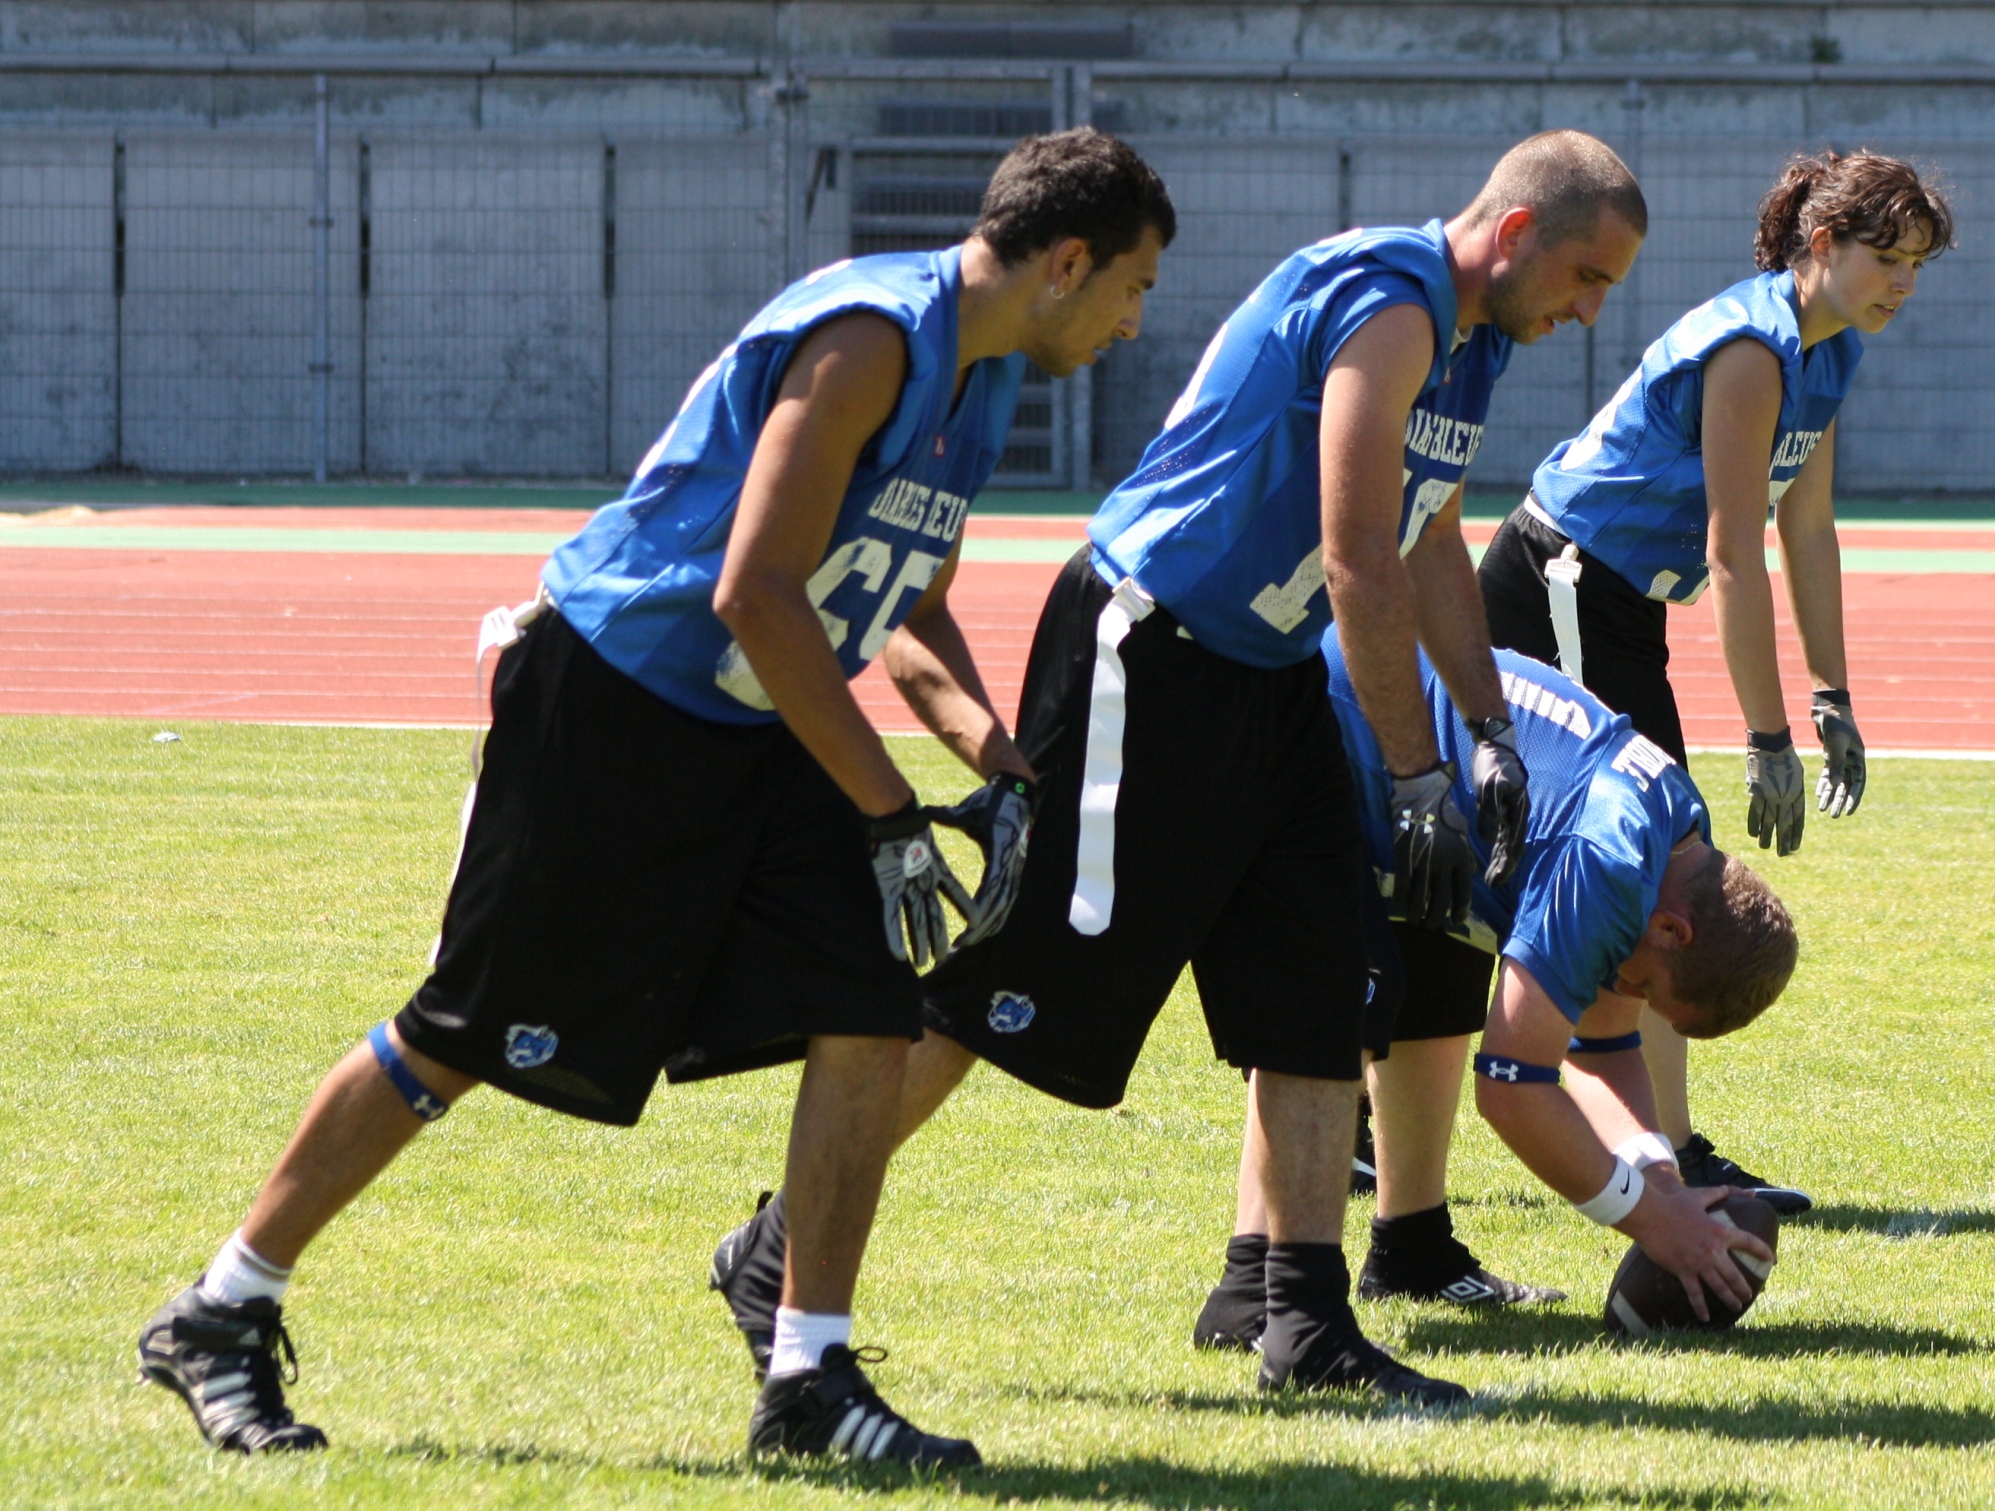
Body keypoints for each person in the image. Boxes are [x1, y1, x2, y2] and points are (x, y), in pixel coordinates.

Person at [134, 128, 1175, 1466]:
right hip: (618, 698)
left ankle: (806, 1370)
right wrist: (883, 807)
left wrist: (985, 745)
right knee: (465, 1030)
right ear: (1065, 261)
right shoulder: (872, 342)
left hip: (752, 717)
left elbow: (899, 591)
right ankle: (222, 1306)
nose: (1134, 318)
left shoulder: (976, 380)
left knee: (869, 1007)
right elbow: (754, 586)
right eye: (1131, 285)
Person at [710, 131, 1644, 1408]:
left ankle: (1299, 1317)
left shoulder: (1470, 337)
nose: (1591, 311)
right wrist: (1419, 772)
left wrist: (1483, 723)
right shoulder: (1393, 299)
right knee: (1015, 981)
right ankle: (778, 1249)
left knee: (1324, 974)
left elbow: (1430, 532)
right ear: (1522, 235)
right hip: (1146, 653)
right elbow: (1358, 548)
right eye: (1589, 277)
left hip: (1263, 675)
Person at [1477, 149, 1954, 1209]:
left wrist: (1831, 693)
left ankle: (1663, 1144)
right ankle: (1653, 1147)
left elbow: (1809, 528)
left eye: (1918, 264)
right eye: (1887, 257)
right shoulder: (1754, 347)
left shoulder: (1829, 354)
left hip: (1617, 597)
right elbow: (1734, 548)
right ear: (1821, 244)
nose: (1903, 283)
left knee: (1635, 859)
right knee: (1642, 858)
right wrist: (1768, 736)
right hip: (1564, 576)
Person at [1195, 640, 1794, 1342]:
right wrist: (1649, 1218)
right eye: (1644, 983)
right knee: (1332, 1009)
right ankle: (1249, 1288)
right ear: (1672, 929)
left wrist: (1657, 1172)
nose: (1622, 988)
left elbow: (1601, 1045)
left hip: (1407, 776)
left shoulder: (1674, 837)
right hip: (1299, 728)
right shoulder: (1606, 857)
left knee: (1436, 979)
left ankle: (1410, 1248)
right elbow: (1511, 1086)